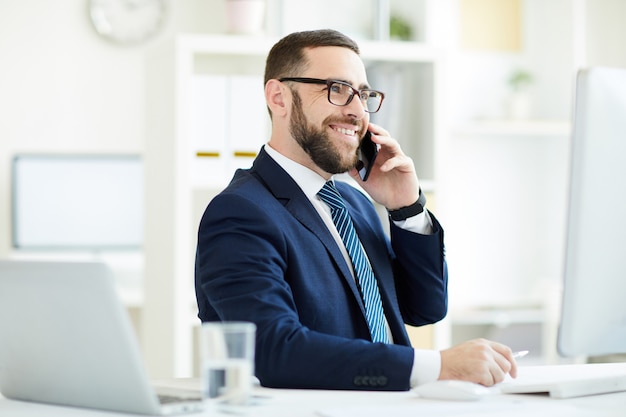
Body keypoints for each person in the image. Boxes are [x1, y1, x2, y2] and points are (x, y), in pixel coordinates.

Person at [195, 29, 518, 391]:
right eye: (337, 89)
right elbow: (275, 350)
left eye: (363, 94)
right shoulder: (240, 213)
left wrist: (406, 207)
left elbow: (425, 308)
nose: (356, 111)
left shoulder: (355, 204)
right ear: (279, 97)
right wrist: (439, 366)